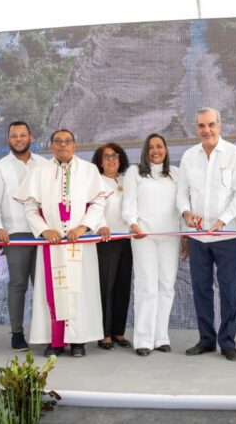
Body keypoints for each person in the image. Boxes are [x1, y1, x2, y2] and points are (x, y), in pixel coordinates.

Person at [14, 129, 110, 357]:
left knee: (80, 291)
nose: (63, 145)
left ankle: (78, 341)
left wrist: (83, 226)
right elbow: (29, 207)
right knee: (53, 290)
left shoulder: (89, 170)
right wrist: (44, 229)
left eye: (68, 141)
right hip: (52, 244)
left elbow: (98, 203)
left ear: (74, 145)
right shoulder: (39, 172)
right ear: (51, 146)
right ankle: (54, 340)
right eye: (58, 141)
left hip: (80, 243)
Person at [177, 107, 236, 362]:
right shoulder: (189, 156)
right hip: (197, 237)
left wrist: (223, 220)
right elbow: (181, 193)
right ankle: (206, 339)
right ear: (196, 128)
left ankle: (227, 342)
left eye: (210, 125)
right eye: (201, 126)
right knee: (200, 288)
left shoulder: (235, 154)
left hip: (227, 236)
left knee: (228, 289)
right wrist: (186, 213)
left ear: (219, 126)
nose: (206, 130)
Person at [0, 121, 47, 352]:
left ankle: (46, 333)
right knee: (18, 284)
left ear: (31, 137)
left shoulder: (44, 164)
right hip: (16, 233)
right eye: (14, 135)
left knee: (43, 285)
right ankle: (17, 333)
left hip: (43, 232)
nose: (19, 139)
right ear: (8, 139)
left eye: (22, 135)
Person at [123, 134, 181, 356]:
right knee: (146, 286)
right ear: (145, 151)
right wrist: (133, 224)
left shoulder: (176, 174)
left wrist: (185, 235)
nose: (156, 150)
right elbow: (129, 203)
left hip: (170, 237)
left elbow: (182, 204)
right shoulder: (134, 172)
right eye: (151, 147)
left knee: (166, 286)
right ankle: (143, 340)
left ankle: (161, 337)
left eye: (160, 146)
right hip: (143, 237)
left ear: (166, 149)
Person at [91, 143, 133, 351]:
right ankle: (104, 333)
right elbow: (93, 208)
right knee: (105, 286)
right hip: (106, 240)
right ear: (100, 161)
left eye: (114, 155)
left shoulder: (126, 180)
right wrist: (101, 225)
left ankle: (118, 331)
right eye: (106, 156)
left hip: (127, 239)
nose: (111, 160)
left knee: (123, 285)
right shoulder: (95, 181)